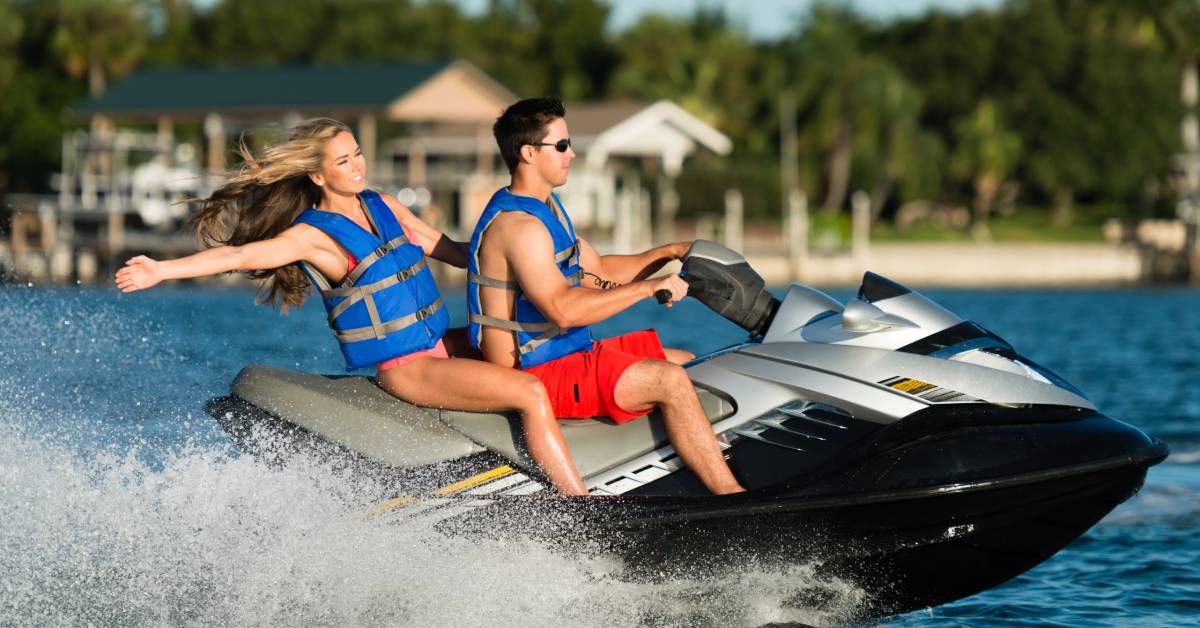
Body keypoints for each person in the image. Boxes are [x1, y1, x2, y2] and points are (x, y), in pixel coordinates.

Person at [115, 118, 591, 496]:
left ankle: (563, 465)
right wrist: (162, 270)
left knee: (532, 350)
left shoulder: (382, 205)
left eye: (358, 153)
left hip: (443, 345)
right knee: (530, 392)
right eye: (343, 161)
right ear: (318, 175)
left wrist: (540, 264)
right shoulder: (314, 235)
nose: (357, 165)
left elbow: (455, 251)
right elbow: (239, 256)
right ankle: (578, 508)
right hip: (409, 367)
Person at [466, 98, 745, 495]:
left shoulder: (546, 210)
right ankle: (731, 499)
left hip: (567, 354)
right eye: (561, 145)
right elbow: (562, 310)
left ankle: (693, 472)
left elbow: (601, 272)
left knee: (685, 359)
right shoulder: (519, 228)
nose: (571, 154)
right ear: (528, 153)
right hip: (537, 371)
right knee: (669, 380)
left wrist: (669, 253)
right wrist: (646, 289)